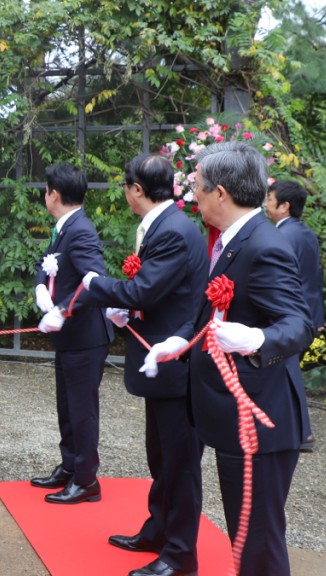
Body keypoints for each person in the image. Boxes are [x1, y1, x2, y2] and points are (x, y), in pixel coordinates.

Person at [142, 142, 313, 576]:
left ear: (221, 193)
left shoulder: (263, 245)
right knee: (247, 538)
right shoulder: (233, 241)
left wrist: (256, 337)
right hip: (232, 414)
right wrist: (178, 342)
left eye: (197, 187)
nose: (191, 196)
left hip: (261, 416)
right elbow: (207, 315)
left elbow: (298, 324)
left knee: (257, 545)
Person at [81, 154, 206, 576]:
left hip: (176, 361)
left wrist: (96, 286)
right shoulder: (164, 225)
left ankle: (180, 554)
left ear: (137, 189)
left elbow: (145, 290)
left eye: (126, 187)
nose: (125, 194)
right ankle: (158, 529)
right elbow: (150, 292)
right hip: (160, 360)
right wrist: (127, 310)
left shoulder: (172, 230)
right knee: (161, 456)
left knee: (180, 462)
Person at [31, 163, 113, 504]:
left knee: (82, 409)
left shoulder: (80, 230)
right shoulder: (64, 227)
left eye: (47, 190)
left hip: (85, 336)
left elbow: (93, 279)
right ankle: (69, 465)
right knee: (66, 406)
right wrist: (40, 287)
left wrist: (62, 310)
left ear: (55, 195)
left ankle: (86, 479)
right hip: (69, 336)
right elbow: (48, 264)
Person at [265, 179, 322, 452]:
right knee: (289, 371)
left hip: (295, 317)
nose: (266, 203)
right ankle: (300, 431)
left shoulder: (284, 236)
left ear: (284, 206)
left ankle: (302, 433)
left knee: (287, 373)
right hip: (308, 314)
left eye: (270, 198)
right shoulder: (303, 232)